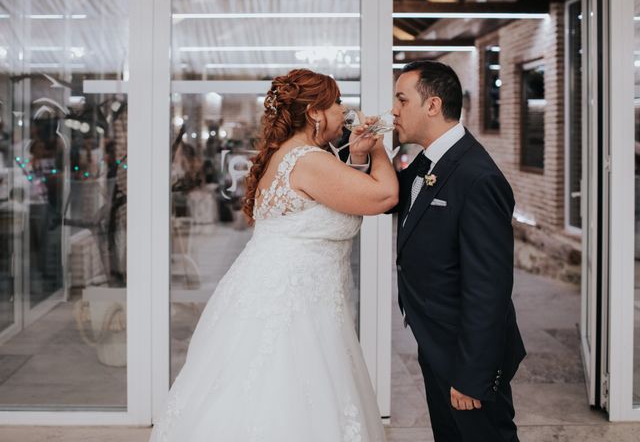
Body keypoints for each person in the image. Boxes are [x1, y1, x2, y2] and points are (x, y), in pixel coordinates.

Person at [150, 68, 397, 442]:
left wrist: (359, 156)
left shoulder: (300, 155)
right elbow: (383, 197)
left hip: (289, 292)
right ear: (315, 112)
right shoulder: (308, 160)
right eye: (337, 104)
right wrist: (378, 145)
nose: (344, 111)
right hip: (293, 304)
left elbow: (340, 198)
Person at [389, 60, 526, 442]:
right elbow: (391, 197)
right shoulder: (429, 160)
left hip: (467, 354)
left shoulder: (477, 177)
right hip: (436, 341)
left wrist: (473, 377)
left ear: (432, 105)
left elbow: (489, 288)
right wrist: (367, 154)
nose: (394, 110)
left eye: (401, 99)